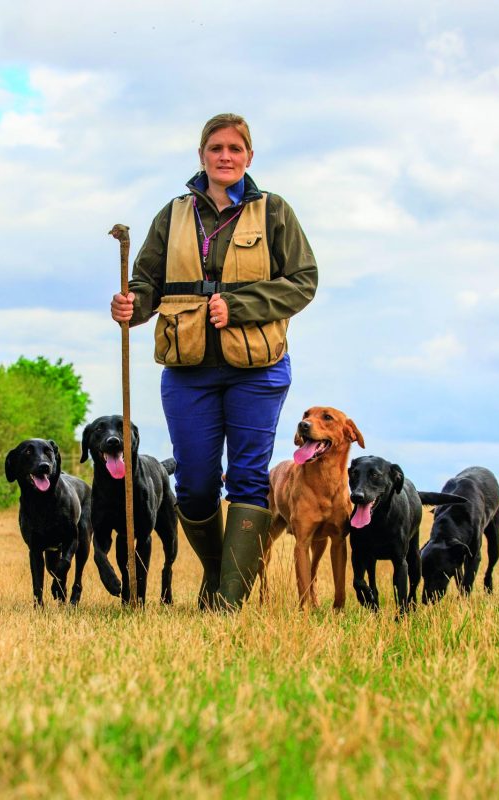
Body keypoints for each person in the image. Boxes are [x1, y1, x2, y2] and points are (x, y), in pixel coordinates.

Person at [109, 113, 318, 609]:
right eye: (216, 148)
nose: (226, 156)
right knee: (196, 483)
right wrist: (131, 307)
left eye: (235, 149)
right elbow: (146, 285)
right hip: (188, 371)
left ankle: (228, 601)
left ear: (249, 156)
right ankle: (218, 572)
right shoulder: (174, 213)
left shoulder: (274, 212)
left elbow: (303, 280)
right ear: (201, 154)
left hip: (259, 367)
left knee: (248, 478)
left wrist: (241, 306)